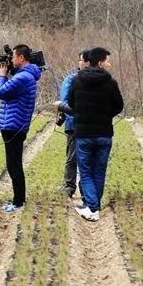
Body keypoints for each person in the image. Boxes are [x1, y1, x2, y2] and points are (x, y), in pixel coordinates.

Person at [55, 47, 123, 221]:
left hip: (83, 133)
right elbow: (119, 106)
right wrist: (106, 115)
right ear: (100, 62)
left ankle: (92, 208)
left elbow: (71, 103)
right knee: (99, 171)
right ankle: (94, 205)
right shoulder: (111, 82)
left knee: (85, 172)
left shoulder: (77, 81)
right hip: (104, 133)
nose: (109, 64)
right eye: (107, 60)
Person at [0, 44, 42, 213]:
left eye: (14, 57)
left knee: (14, 165)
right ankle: (18, 200)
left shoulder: (23, 78)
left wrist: (2, 75)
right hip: (15, 125)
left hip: (14, 126)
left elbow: (1, 92)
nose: (11, 60)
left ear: (21, 58)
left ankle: (18, 202)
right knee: (14, 164)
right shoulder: (26, 75)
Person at [58, 51, 89, 198]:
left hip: (90, 126)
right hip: (73, 124)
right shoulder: (70, 80)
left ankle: (85, 188)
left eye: (86, 60)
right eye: (82, 60)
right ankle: (69, 186)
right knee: (72, 157)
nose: (83, 63)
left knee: (87, 158)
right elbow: (65, 101)